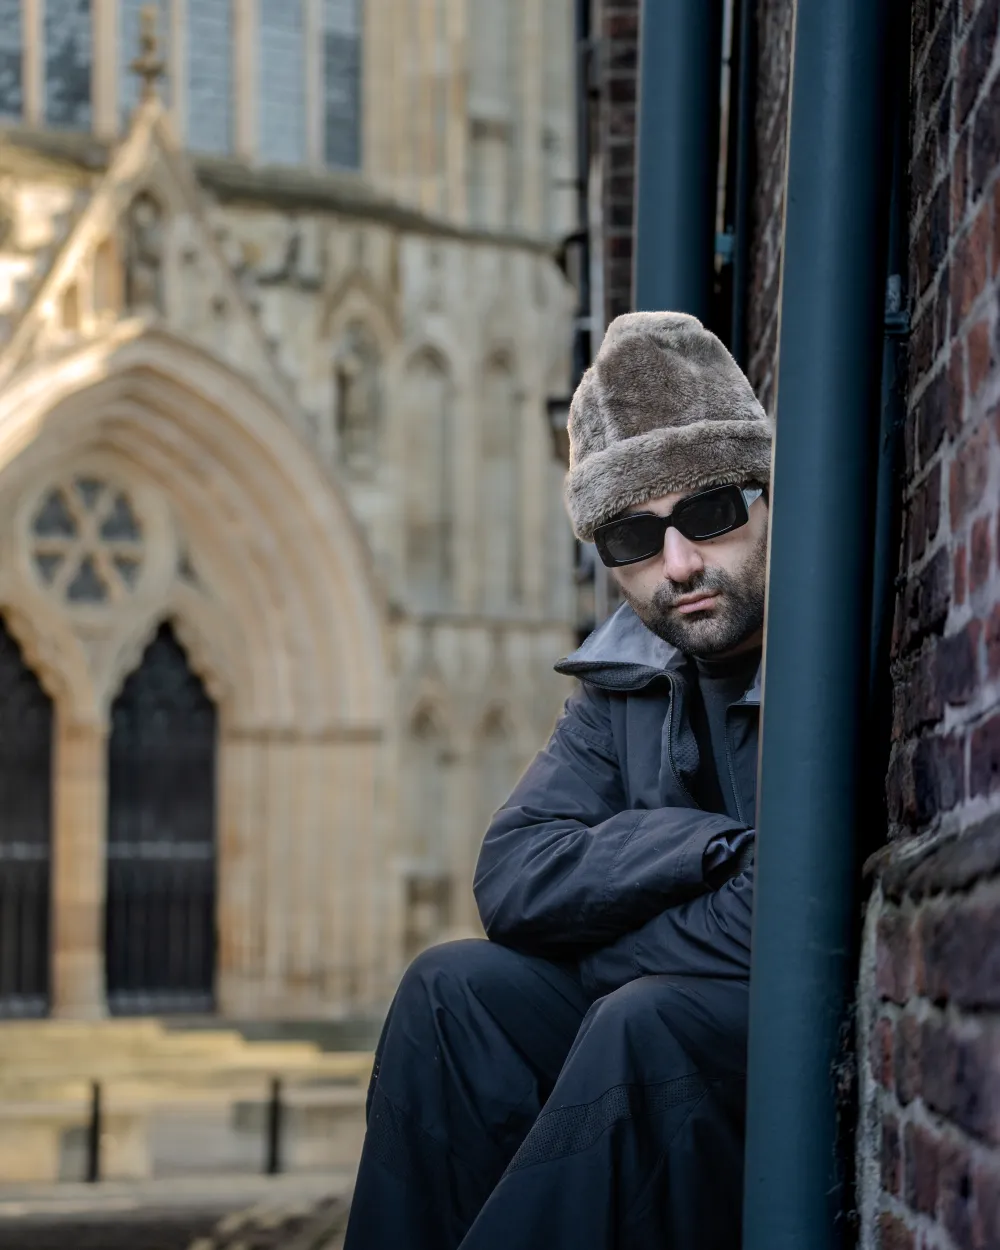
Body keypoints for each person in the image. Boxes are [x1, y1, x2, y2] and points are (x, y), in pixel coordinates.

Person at [342, 311, 774, 1250]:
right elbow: (512, 877)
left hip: (782, 1040)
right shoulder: (625, 675)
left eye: (710, 513)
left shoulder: (816, 649)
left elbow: (777, 918)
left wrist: (616, 905)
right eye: (631, 537)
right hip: (663, 1016)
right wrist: (703, 846)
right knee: (451, 990)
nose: (679, 564)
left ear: (767, 497)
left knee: (642, 1019)